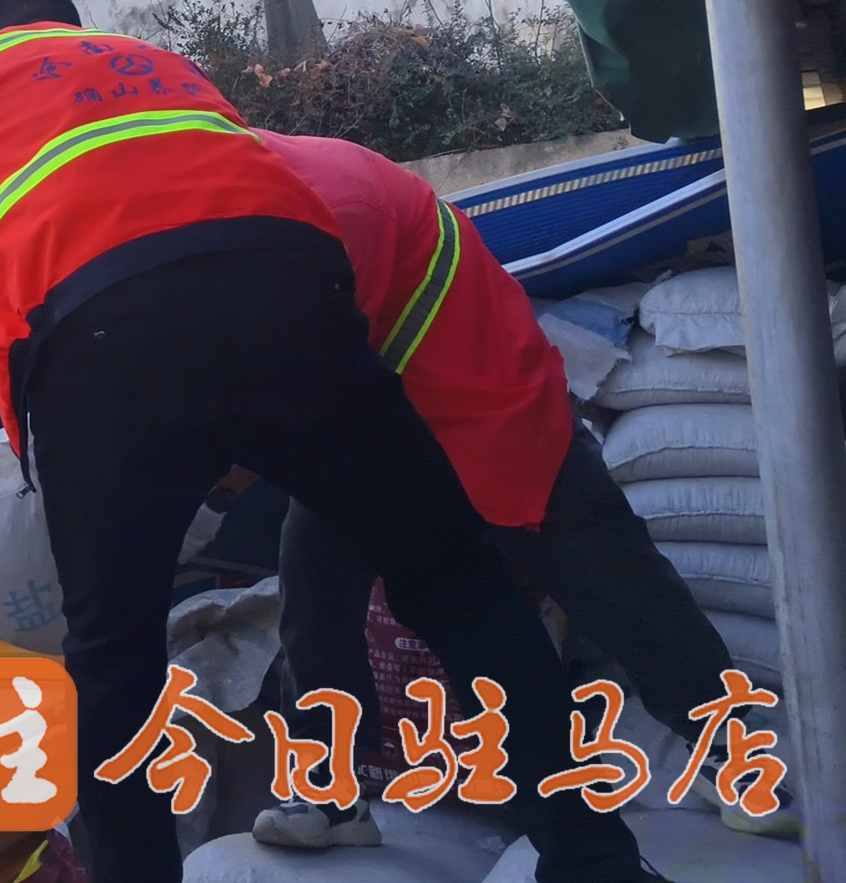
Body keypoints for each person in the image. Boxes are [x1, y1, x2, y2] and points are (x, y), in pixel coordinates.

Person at [0, 0, 654, 883]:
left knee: (113, 656)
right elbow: (224, 231)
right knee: (459, 584)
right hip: (299, 299)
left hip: (102, 338)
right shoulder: (157, 66)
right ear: (69, 30)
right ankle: (599, 862)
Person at [249, 130, 798, 846]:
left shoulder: (332, 202)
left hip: (482, 389)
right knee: (314, 590)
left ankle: (724, 747)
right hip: (361, 412)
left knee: (609, 572)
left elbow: (291, 371)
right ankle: (331, 791)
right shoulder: (204, 212)